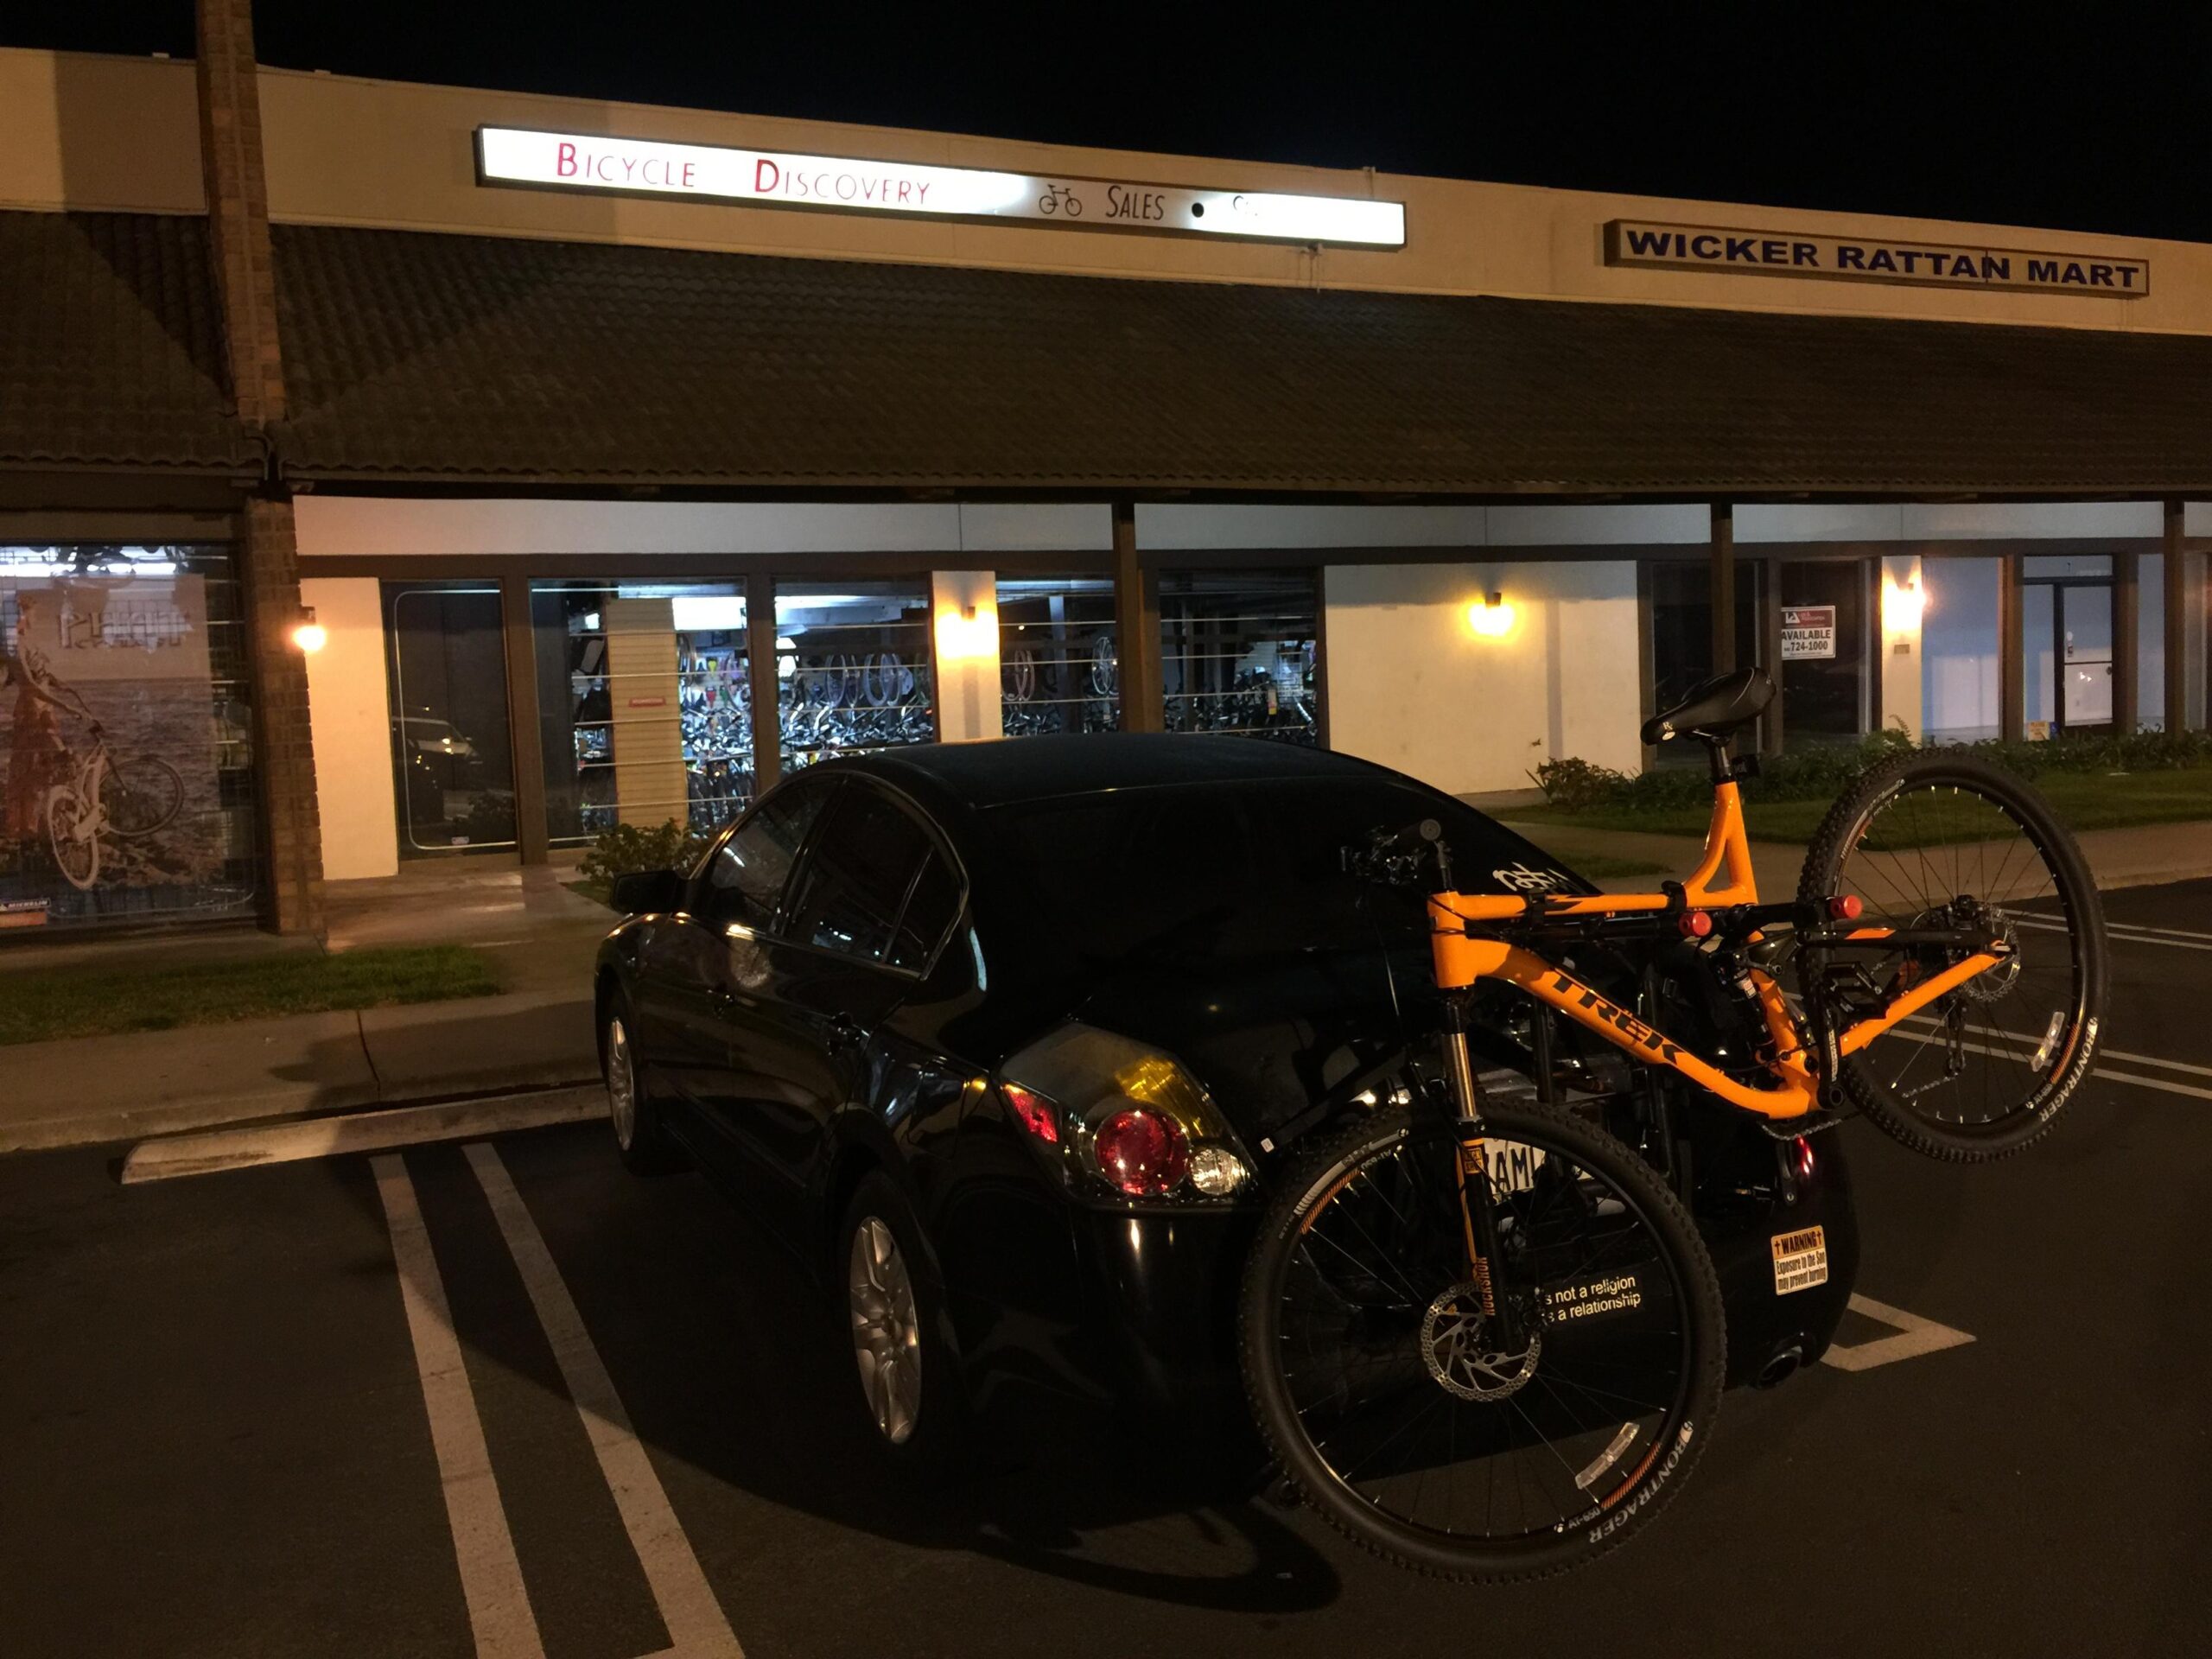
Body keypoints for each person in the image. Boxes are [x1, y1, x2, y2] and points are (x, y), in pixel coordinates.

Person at [2, 589, 97, 845]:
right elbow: (29, 685)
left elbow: (40, 675)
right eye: (32, 614)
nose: (35, 618)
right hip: (32, 712)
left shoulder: (25, 641)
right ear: (20, 615)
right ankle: (31, 825)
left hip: (44, 709)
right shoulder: (12, 646)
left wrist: (60, 685)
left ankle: (48, 819)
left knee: (45, 766)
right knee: (51, 763)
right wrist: (66, 706)